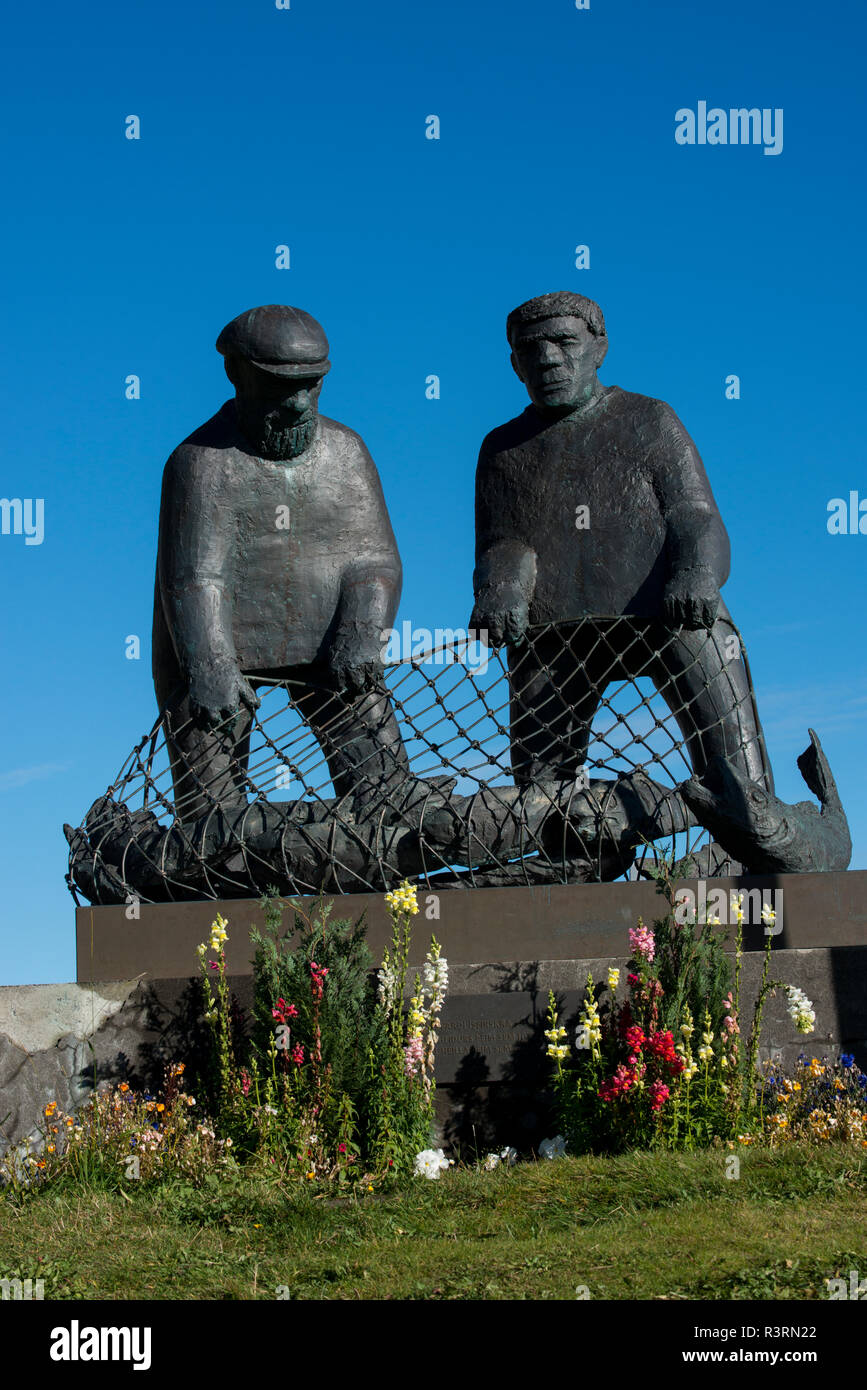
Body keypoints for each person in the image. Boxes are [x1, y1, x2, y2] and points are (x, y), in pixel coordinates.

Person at [470, 291, 773, 796]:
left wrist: (696, 574)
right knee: (539, 793)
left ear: (599, 347)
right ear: (513, 364)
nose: (547, 358)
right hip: (557, 629)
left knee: (734, 761)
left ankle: (752, 838)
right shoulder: (501, 449)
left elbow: (694, 516)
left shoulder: (650, 419)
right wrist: (499, 588)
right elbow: (504, 542)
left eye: (564, 341)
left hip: (668, 613)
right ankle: (563, 858)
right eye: (530, 349)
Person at [152, 304, 409, 823]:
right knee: (210, 821)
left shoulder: (347, 452)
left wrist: (362, 632)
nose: (297, 404)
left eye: (310, 386)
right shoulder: (199, 461)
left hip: (330, 646)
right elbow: (193, 579)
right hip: (216, 649)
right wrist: (210, 666)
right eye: (278, 387)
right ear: (236, 373)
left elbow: (374, 561)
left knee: (387, 800)